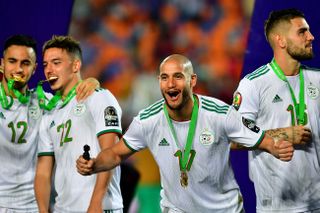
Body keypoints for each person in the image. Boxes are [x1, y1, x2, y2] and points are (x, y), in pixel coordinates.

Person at [76, 54, 297, 212]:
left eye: (178, 77)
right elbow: (115, 154)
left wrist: (277, 146)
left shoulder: (220, 114)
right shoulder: (147, 120)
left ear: (192, 81)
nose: (170, 83)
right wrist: (94, 164)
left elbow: (261, 139)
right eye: (164, 78)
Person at [233, 8, 320, 212]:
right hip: (279, 207)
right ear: (280, 40)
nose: (311, 36)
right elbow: (232, 138)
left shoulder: (317, 80)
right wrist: (283, 134)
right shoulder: (253, 85)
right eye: (302, 32)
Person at [0, 34, 99, 212]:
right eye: (12, 61)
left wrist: (92, 82)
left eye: (25, 63)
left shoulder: (45, 102)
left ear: (34, 67)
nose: (18, 69)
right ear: (2, 64)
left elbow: (71, 98)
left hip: (34, 205)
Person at [34, 35, 123, 213]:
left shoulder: (98, 97)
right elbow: (43, 172)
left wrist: (96, 203)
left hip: (100, 208)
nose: (49, 70)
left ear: (75, 65)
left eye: (56, 62)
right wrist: (43, 210)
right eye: (45, 64)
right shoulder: (49, 114)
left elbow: (111, 154)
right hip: (62, 209)